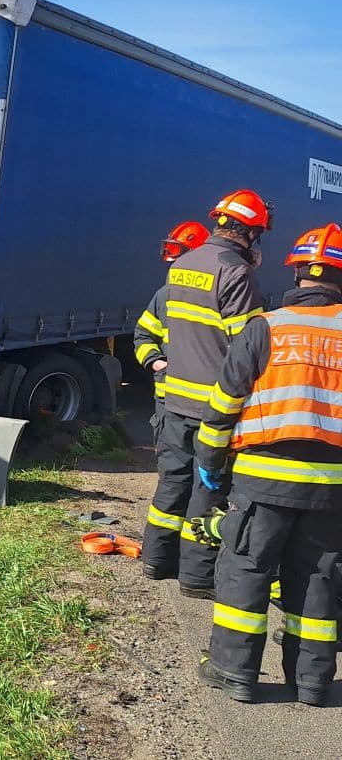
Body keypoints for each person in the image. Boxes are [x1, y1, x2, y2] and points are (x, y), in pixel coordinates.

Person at [193, 223, 342, 705]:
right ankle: (313, 683)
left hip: (261, 482)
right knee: (318, 578)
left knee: (247, 571)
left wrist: (211, 466)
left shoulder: (266, 326)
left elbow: (223, 405)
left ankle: (234, 673)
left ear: (297, 271)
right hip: (331, 489)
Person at [140, 190, 269, 597]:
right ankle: (196, 579)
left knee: (172, 482)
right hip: (213, 406)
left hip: (174, 400)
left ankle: (155, 560)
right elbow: (245, 350)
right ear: (250, 232)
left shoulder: (183, 264)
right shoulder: (235, 274)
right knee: (208, 489)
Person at [135, 221, 212, 431]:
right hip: (168, 401)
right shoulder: (164, 295)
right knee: (171, 462)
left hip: (206, 405)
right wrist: (156, 363)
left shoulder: (216, 296)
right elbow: (143, 335)